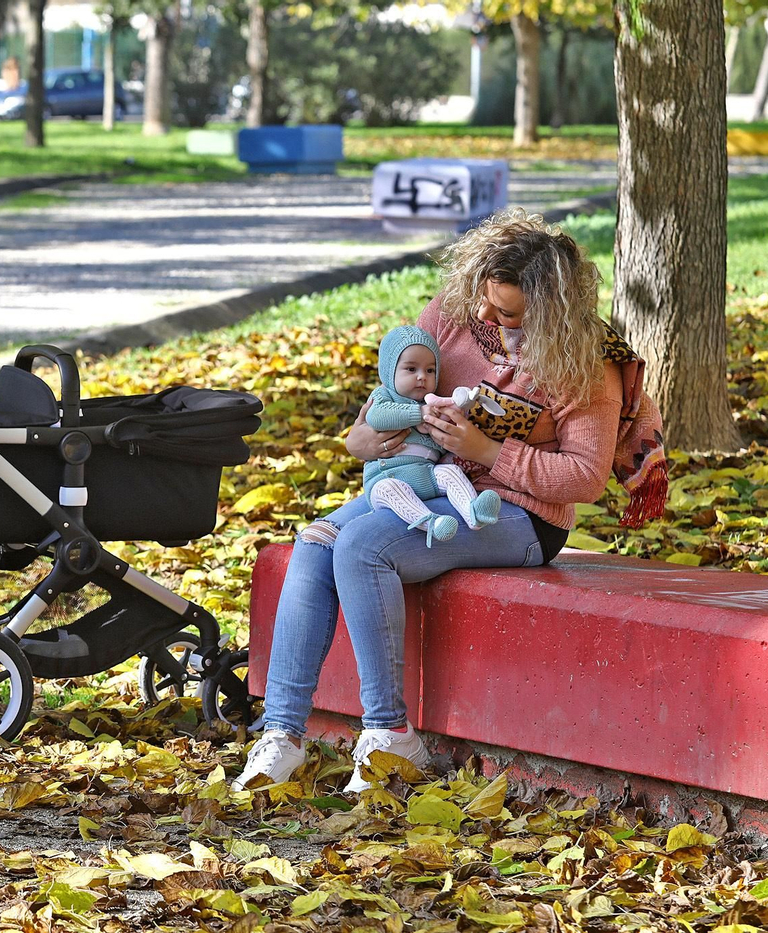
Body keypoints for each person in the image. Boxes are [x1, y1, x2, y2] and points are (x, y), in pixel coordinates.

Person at [232, 208, 667, 794]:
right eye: (486, 300)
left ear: (548, 310)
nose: (486, 317)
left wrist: (485, 450)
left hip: (521, 516)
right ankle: (282, 734)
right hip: (424, 484)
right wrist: (369, 438)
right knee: (315, 541)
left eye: (506, 311)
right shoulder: (454, 318)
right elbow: (373, 415)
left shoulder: (584, 362)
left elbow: (585, 479)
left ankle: (390, 736)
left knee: (362, 547)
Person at [351, 325, 504, 548]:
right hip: (389, 476)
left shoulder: (432, 403)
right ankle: (431, 523)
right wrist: (418, 414)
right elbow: (377, 417)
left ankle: (474, 512)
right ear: (389, 370)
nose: (422, 377)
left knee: (450, 472)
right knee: (391, 491)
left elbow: (442, 446)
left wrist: (445, 425)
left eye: (430, 371)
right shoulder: (385, 396)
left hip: (426, 475)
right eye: (411, 369)